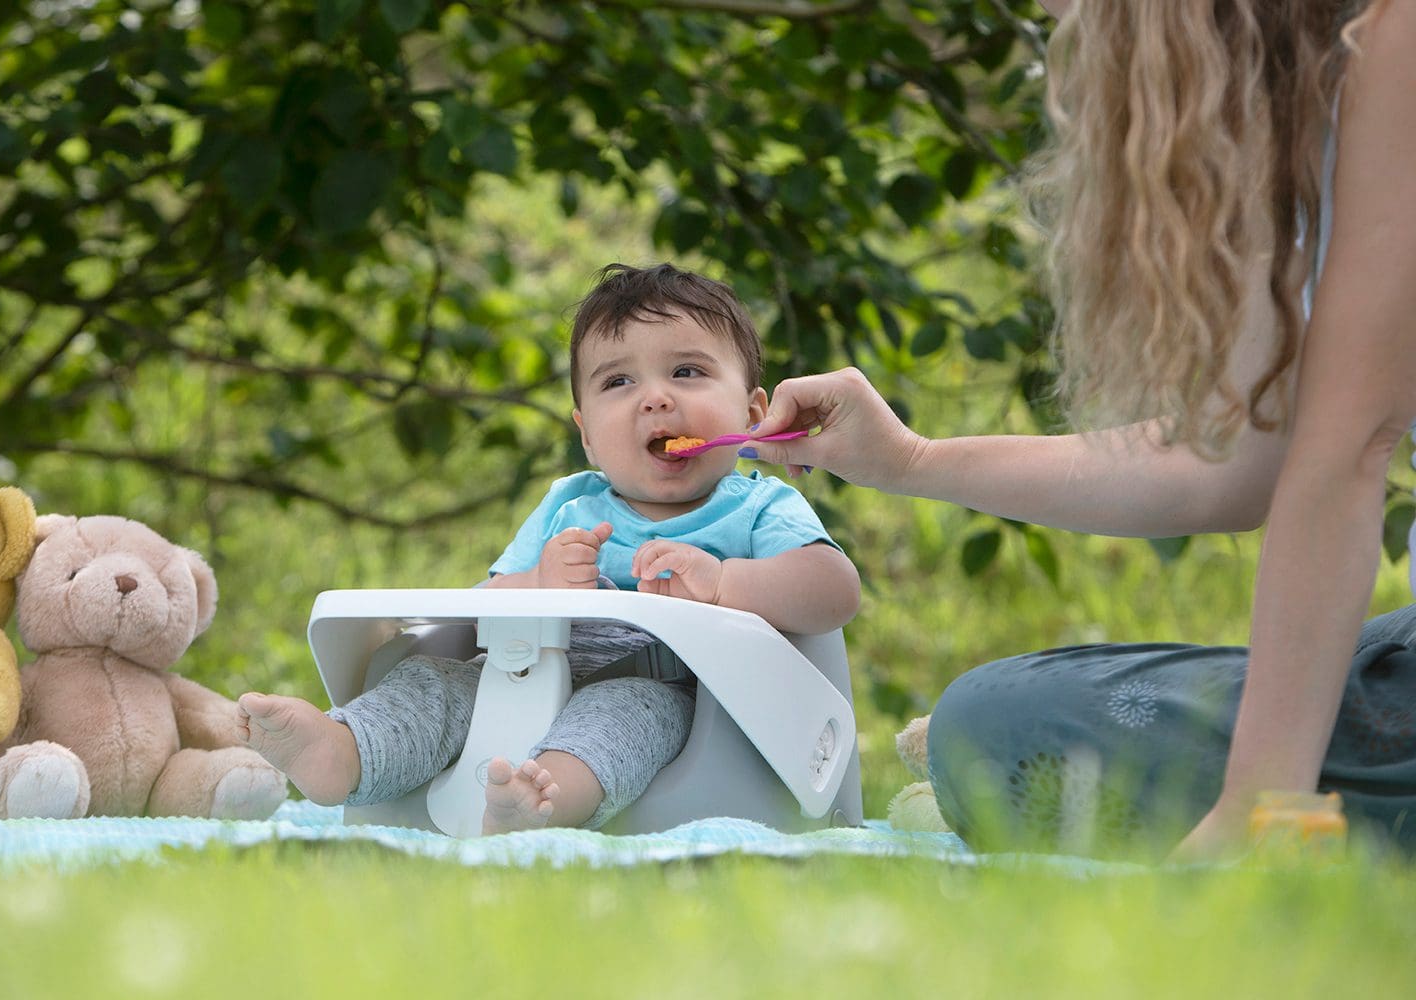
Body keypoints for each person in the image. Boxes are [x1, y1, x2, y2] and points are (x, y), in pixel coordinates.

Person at [746, 0, 1416, 858]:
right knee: (999, 723)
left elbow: (1348, 449)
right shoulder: (1288, 121)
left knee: (1008, 736)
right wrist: (908, 458)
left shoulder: (1395, 38)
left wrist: (1262, 805)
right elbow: (1229, 466)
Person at [238, 263, 860, 835]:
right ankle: (345, 751)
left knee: (622, 718)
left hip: (672, 695)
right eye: (618, 381)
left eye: (687, 372)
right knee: (435, 681)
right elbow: (482, 604)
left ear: (753, 412)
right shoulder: (569, 504)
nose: (655, 397)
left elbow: (832, 592)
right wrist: (538, 579)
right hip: (522, 672)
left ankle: (543, 804)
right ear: (587, 434)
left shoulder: (756, 506)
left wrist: (726, 584)